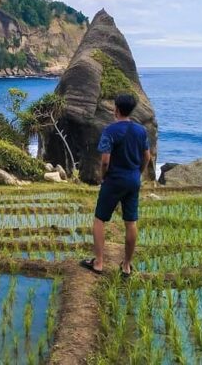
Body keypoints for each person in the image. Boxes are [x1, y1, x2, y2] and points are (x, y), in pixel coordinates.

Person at [80, 93, 151, 277]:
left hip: (114, 180)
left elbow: (105, 160)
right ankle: (127, 265)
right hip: (133, 180)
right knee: (131, 222)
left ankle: (99, 262)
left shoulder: (110, 131)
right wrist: (138, 172)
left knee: (99, 219)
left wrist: (103, 176)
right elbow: (147, 156)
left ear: (116, 109)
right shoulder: (141, 131)